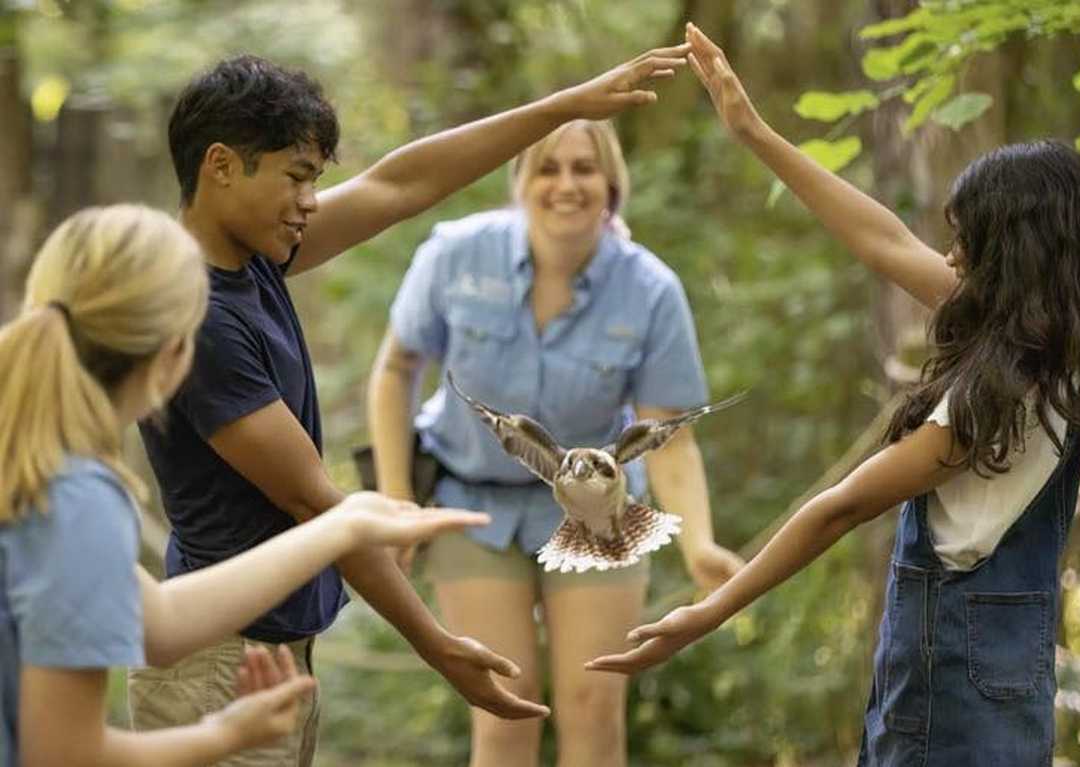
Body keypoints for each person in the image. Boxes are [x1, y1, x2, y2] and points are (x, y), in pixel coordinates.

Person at [587, 24, 1080, 767]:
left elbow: (838, 506)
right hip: (1012, 687)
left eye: (965, 242)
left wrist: (710, 610)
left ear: (1012, 255)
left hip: (951, 696)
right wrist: (754, 133)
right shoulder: (1065, 358)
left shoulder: (991, 398)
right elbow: (882, 242)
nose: (948, 258)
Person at [130, 44, 693, 765]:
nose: (310, 201)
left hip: (266, 648)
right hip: (218, 662)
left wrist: (566, 106)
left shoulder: (256, 255)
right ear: (220, 166)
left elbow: (399, 184)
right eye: (295, 177)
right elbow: (317, 505)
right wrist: (438, 646)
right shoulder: (199, 315)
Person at [0, 204, 492, 767]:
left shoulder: (34, 470)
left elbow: (159, 621)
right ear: (176, 353)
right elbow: (66, 750)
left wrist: (342, 528)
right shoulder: (76, 495)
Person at [369, 117, 745, 767]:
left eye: (584, 169)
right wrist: (397, 499)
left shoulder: (650, 290)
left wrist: (700, 542)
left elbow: (669, 438)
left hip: (598, 514)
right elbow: (396, 370)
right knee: (505, 704)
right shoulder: (455, 254)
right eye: (548, 168)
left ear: (611, 187)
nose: (565, 184)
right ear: (521, 181)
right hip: (472, 505)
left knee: (593, 704)